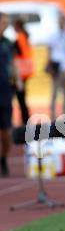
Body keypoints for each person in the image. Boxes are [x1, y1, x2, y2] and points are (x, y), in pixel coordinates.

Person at [0, 12, 22, 176]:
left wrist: (18, 79)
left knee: (7, 130)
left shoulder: (8, 43)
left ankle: (3, 158)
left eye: (7, 22)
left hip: (5, 89)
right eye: (4, 22)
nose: (6, 25)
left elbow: (13, 62)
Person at [46, 14, 65, 120]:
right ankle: (53, 116)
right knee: (54, 93)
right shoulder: (53, 35)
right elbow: (49, 51)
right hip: (57, 67)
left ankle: (64, 115)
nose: (61, 23)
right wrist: (49, 65)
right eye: (60, 21)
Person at [13, 18, 33, 124]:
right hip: (26, 69)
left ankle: (25, 119)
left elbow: (19, 52)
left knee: (20, 96)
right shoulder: (25, 35)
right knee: (22, 95)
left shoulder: (20, 36)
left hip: (21, 70)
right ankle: (25, 117)